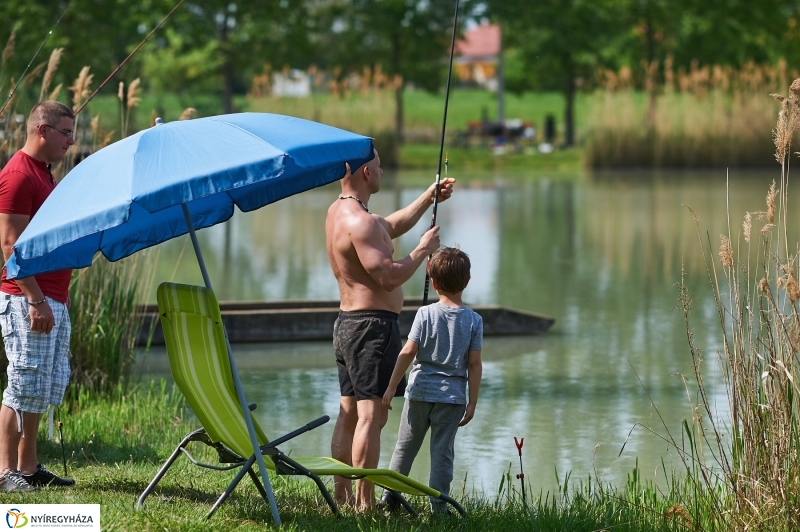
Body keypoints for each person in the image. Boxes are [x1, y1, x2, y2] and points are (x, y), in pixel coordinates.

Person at [325, 148, 454, 510]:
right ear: (366, 172)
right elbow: (388, 276)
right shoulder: (362, 222)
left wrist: (428, 196)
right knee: (372, 415)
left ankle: (342, 493)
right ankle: (365, 505)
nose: (382, 171)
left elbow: (389, 226)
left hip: (347, 324)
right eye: (379, 166)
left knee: (349, 412)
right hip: (372, 331)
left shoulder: (340, 212)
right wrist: (421, 250)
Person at [0, 101, 76, 491]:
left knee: (42, 385)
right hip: (27, 298)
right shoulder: (18, 175)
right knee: (22, 381)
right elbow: (10, 245)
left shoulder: (44, 174)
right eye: (65, 132)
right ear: (42, 130)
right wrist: (34, 299)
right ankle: (5, 471)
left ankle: (28, 468)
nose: (72, 140)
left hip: (52, 296)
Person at [381, 247, 483, 514]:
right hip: (452, 398)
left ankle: (390, 497)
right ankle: (439, 507)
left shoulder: (424, 314)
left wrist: (393, 386)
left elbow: (407, 351)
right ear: (468, 281)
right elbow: (474, 363)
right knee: (442, 454)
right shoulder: (474, 321)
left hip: (419, 393)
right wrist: (472, 402)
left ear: (433, 283)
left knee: (405, 447)